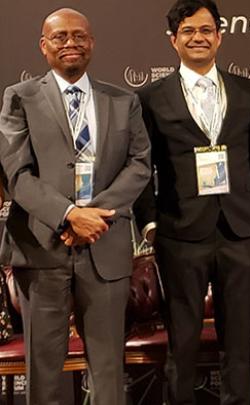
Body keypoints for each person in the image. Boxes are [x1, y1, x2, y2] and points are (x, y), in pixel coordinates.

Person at [0, 8, 151, 404]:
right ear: (43, 46)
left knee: (107, 371)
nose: (71, 43)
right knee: (44, 372)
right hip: (42, 249)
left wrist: (93, 215)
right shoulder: (19, 98)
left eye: (79, 36)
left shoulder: (123, 100)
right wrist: (69, 215)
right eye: (61, 37)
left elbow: (139, 165)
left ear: (92, 43)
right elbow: (17, 175)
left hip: (105, 245)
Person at [132, 0, 250, 403]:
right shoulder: (151, 97)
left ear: (220, 37)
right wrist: (151, 223)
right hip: (180, 234)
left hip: (241, 233)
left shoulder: (246, 90)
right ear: (174, 41)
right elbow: (141, 166)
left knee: (239, 346)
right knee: (184, 344)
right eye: (188, 31)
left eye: (206, 30)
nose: (198, 38)